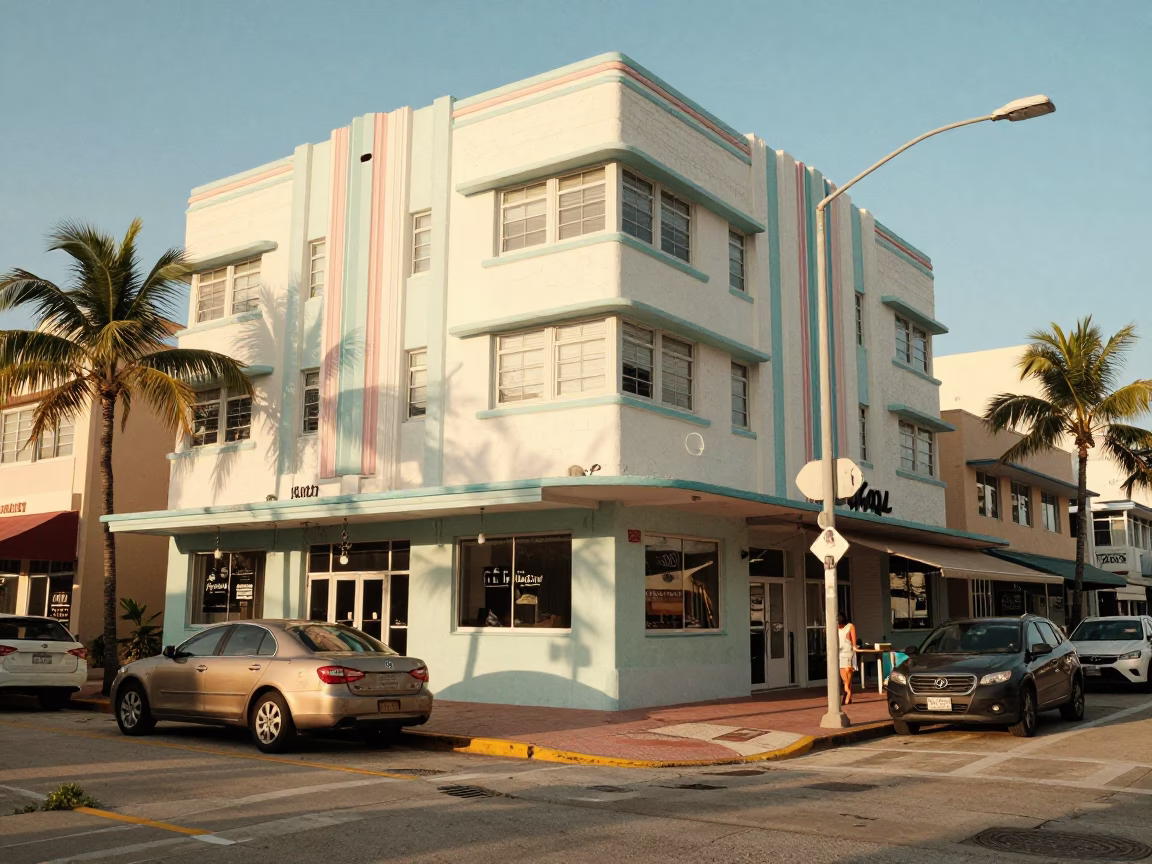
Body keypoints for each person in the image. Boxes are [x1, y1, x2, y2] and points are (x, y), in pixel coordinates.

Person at [837, 612, 858, 705]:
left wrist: (855, 648)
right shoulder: (835, 628)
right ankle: (848, 693)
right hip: (840, 653)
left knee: (848, 673)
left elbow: (854, 642)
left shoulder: (850, 627)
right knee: (844, 678)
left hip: (848, 653)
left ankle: (848, 694)